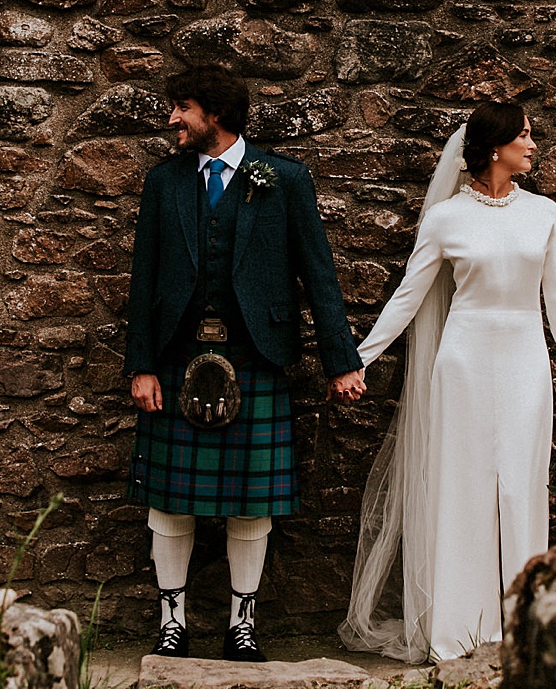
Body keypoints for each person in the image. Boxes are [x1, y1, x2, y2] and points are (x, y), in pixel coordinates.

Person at [124, 64, 365, 662]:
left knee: (252, 504)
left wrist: (342, 360)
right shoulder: (165, 182)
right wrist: (142, 365)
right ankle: (172, 623)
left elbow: (320, 276)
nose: (172, 118)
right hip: (178, 357)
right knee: (169, 501)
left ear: (217, 114)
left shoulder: (282, 179)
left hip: (256, 356)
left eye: (183, 107)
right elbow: (144, 278)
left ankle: (242, 626)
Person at [340, 101, 556, 664]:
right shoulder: (446, 218)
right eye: (523, 135)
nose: (533, 143)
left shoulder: (544, 212)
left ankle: (523, 625)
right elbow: (409, 296)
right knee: (462, 491)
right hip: (464, 361)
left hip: (524, 359)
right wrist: (362, 358)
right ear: (494, 147)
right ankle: (458, 632)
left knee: (522, 492)